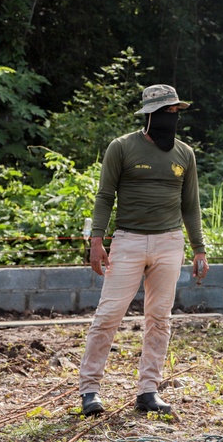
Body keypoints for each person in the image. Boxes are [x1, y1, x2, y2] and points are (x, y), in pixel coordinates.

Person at [78, 84, 210, 416]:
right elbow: (105, 196)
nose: (173, 117)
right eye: (167, 111)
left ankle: (149, 390)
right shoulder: (121, 148)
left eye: (176, 111)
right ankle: (90, 390)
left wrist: (199, 249)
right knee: (108, 315)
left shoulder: (185, 154)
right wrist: (97, 240)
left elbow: (190, 206)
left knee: (159, 319)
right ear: (149, 115)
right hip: (128, 241)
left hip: (169, 243)